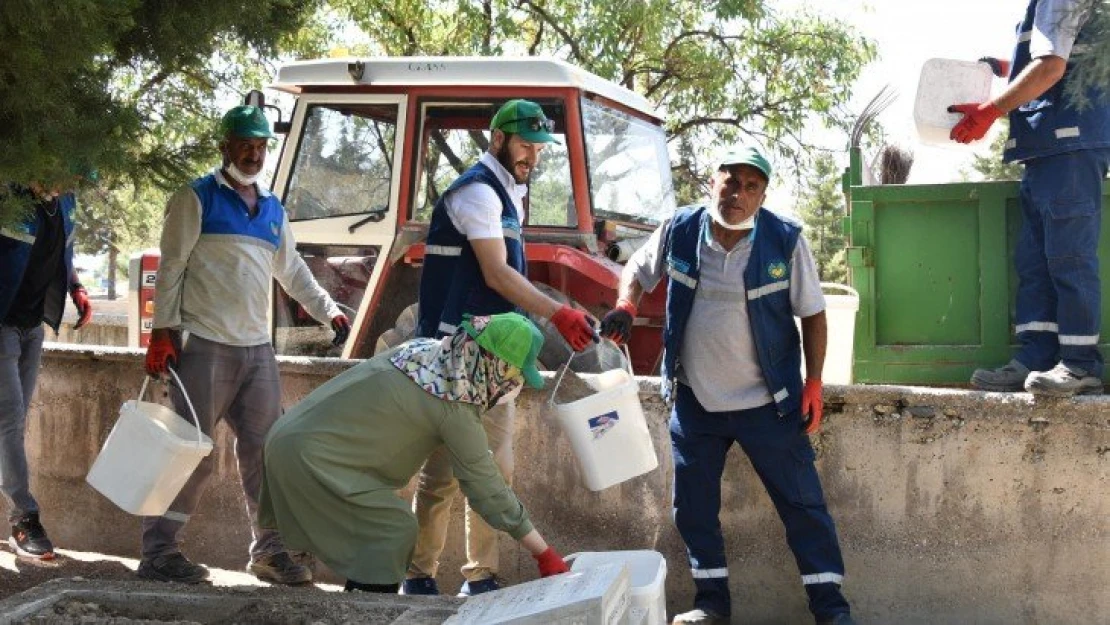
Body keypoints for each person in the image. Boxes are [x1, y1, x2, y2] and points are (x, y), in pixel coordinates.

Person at [600, 146, 854, 625]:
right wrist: (627, 306)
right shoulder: (681, 229)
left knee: (804, 506)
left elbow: (814, 313)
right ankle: (711, 606)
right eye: (730, 181)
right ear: (712, 182)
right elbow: (636, 269)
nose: (737, 194)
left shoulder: (784, 240)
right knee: (693, 510)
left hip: (769, 403)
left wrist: (814, 382)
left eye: (750, 186)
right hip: (696, 402)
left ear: (762, 196)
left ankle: (831, 610)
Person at [141, 105, 350, 586]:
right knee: (188, 452)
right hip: (204, 346)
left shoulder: (272, 208)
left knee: (267, 453)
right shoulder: (196, 198)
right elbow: (170, 268)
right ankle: (158, 554)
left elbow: (292, 271)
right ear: (225, 147)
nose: (254, 155)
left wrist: (329, 310)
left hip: (258, 352)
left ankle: (270, 553)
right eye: (245, 146)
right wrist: (162, 332)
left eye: (260, 147)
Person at [405, 99, 596, 597]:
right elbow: (495, 272)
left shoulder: (509, 192)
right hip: (454, 354)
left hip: (493, 357)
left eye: (539, 147)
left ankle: (481, 575)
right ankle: (418, 575)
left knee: (496, 469)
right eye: (525, 145)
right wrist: (557, 312)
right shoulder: (476, 193)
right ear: (497, 140)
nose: (533, 155)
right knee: (444, 473)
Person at [259, 312, 571, 593]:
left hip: (286, 439)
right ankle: (367, 611)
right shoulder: (455, 405)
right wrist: (543, 553)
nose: (512, 387)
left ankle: (360, 601)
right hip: (311, 460)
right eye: (514, 377)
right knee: (392, 530)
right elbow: (488, 489)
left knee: (379, 534)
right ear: (496, 366)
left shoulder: (425, 353)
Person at [956, 0, 1110, 396]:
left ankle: (1080, 363)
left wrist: (990, 110)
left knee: (1068, 257)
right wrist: (1004, 67)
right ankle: (1038, 355)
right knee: (1036, 260)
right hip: (1045, 149)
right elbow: (1060, 57)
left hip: (1068, 145)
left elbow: (1052, 67)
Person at [0, 183, 92, 560]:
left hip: (32, 326)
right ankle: (24, 517)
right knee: (9, 419)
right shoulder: (9, 196)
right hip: (1, 323)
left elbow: (63, 252)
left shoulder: (65, 202)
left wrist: (76, 286)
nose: (68, 182)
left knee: (14, 422)